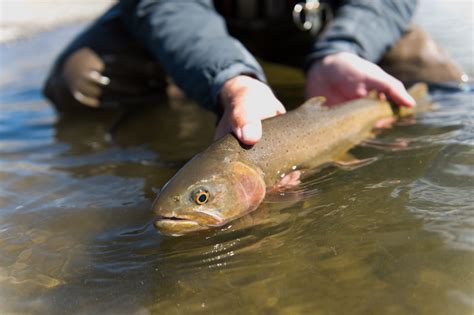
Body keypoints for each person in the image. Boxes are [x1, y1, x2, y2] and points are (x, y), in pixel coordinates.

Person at [43, 0, 464, 146]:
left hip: (324, 23)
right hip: (197, 21)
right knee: (80, 80)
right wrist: (229, 77)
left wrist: (345, 49)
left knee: (434, 76)